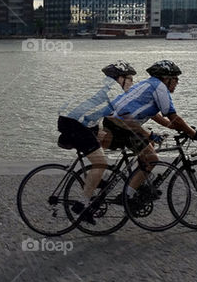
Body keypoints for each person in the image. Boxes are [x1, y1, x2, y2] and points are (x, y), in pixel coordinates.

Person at [104, 59, 197, 199]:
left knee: (151, 145)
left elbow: (154, 113)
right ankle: (127, 196)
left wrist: (172, 126)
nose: (177, 82)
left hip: (116, 122)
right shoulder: (160, 87)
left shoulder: (148, 83)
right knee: (152, 158)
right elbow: (173, 116)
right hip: (122, 126)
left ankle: (137, 183)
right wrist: (195, 134)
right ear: (166, 79)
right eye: (175, 79)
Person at [57, 61, 137, 218]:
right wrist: (142, 132)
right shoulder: (114, 89)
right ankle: (82, 205)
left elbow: (107, 114)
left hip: (74, 121)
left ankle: (96, 180)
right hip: (76, 124)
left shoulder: (102, 84)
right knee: (101, 163)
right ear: (120, 78)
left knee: (102, 136)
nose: (132, 82)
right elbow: (123, 115)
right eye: (130, 78)